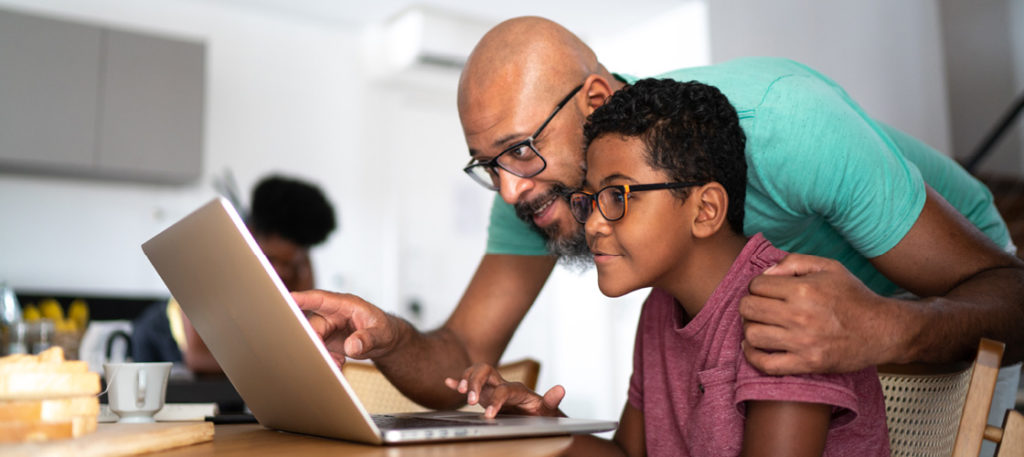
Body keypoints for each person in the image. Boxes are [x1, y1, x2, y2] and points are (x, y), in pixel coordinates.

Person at [293, 17, 1024, 415]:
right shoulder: (545, 193)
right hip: (803, 341)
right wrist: (386, 337)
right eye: (489, 165)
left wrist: (886, 325)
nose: (510, 192)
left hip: (937, 297)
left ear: (595, 99)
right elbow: (462, 350)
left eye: (519, 150)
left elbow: (1008, 292)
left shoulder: (782, 126)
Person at [449, 77, 890, 456]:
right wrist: (537, 424)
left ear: (705, 210)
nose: (594, 224)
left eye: (618, 196)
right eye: (590, 199)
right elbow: (628, 454)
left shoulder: (788, 310)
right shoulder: (661, 309)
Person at [133, 174, 338, 373]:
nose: (282, 272)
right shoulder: (212, 267)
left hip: (240, 353)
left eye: (291, 263)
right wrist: (277, 365)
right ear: (248, 233)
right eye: (271, 259)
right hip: (167, 341)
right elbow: (197, 358)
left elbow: (300, 334)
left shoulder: (300, 267)